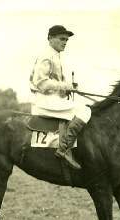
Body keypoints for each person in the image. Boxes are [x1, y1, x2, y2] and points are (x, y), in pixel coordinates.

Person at [30, 25, 91, 170]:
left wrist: (67, 89)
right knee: (85, 111)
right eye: (62, 39)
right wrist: (66, 86)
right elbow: (42, 83)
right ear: (50, 38)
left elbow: (55, 85)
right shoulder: (46, 55)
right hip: (44, 101)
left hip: (54, 99)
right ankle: (63, 149)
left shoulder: (56, 56)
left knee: (82, 109)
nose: (65, 42)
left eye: (66, 40)